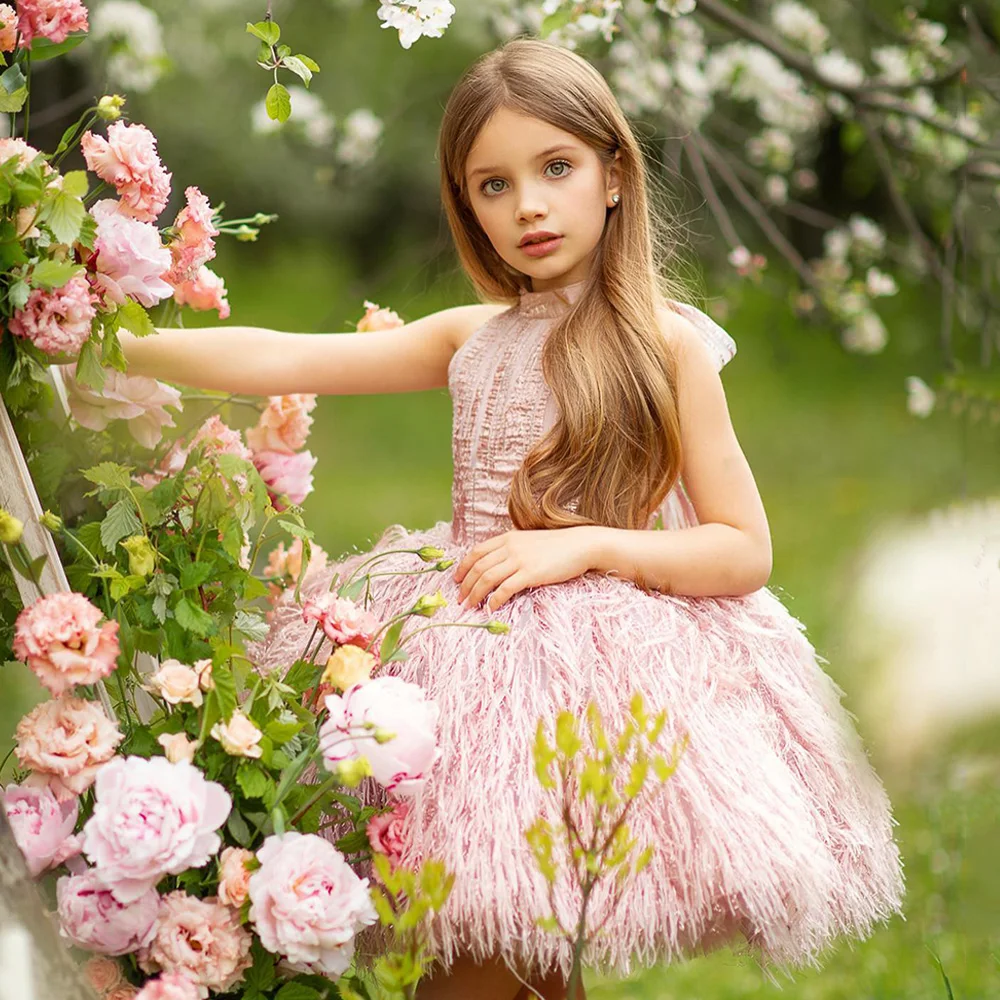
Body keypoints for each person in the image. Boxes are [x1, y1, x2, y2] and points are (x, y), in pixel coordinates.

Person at [121, 37, 904, 1000]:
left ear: (614, 176)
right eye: (492, 185)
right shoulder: (472, 337)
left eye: (556, 168)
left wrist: (589, 542)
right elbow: (286, 354)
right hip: (460, 653)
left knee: (505, 951)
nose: (527, 204)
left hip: (590, 674)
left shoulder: (667, 346)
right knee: (486, 948)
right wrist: (124, 343)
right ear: (467, 206)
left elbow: (743, 548)